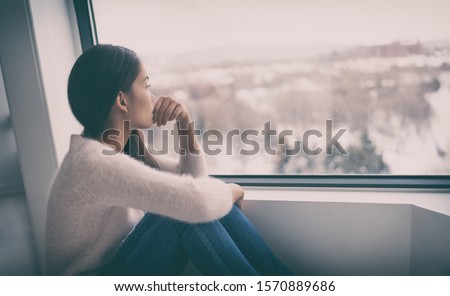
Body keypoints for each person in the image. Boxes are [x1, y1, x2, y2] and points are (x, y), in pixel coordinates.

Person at [45, 44, 293, 276]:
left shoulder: (118, 151)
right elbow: (198, 203)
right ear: (122, 100)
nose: (153, 96)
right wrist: (233, 191)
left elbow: (194, 184)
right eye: (146, 85)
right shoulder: (93, 164)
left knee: (192, 204)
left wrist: (184, 123)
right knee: (183, 211)